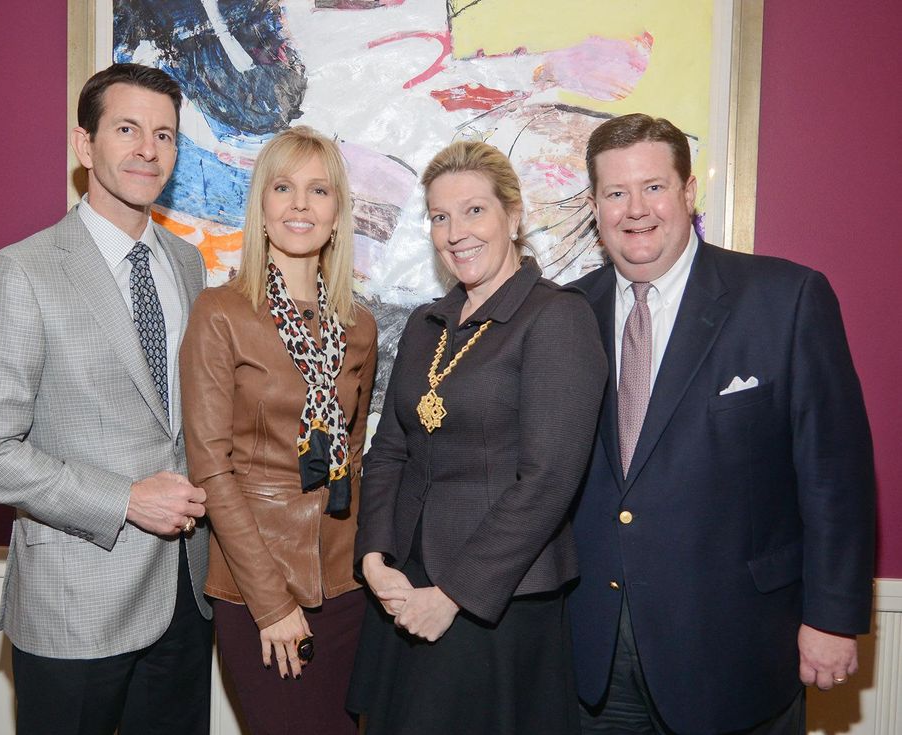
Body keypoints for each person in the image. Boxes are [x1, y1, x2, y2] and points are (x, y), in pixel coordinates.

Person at [568, 113, 876, 734]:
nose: (636, 209)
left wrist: (833, 618)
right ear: (595, 207)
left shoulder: (785, 299)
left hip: (738, 649)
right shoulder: (567, 313)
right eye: (616, 192)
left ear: (688, 192)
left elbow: (835, 478)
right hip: (596, 654)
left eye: (654, 187)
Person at [0, 63, 213, 734]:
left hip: (185, 595)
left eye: (164, 135)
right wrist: (123, 499)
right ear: (84, 145)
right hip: (75, 604)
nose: (148, 149)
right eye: (127, 129)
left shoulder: (188, 265)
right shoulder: (20, 272)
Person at [347, 140, 607, 734]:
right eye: (440, 216)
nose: (455, 232)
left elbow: (548, 481)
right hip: (403, 590)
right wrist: (374, 556)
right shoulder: (427, 323)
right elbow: (390, 450)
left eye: (474, 211)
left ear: (512, 217)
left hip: (495, 602)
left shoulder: (556, 317)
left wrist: (453, 595)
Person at [180, 125, 378, 735]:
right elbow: (210, 469)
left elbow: (353, 457)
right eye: (283, 187)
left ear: (337, 214)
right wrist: (270, 602)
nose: (300, 204)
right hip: (259, 582)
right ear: (262, 206)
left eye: (319, 190)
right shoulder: (220, 312)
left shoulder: (360, 325)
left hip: (348, 584)